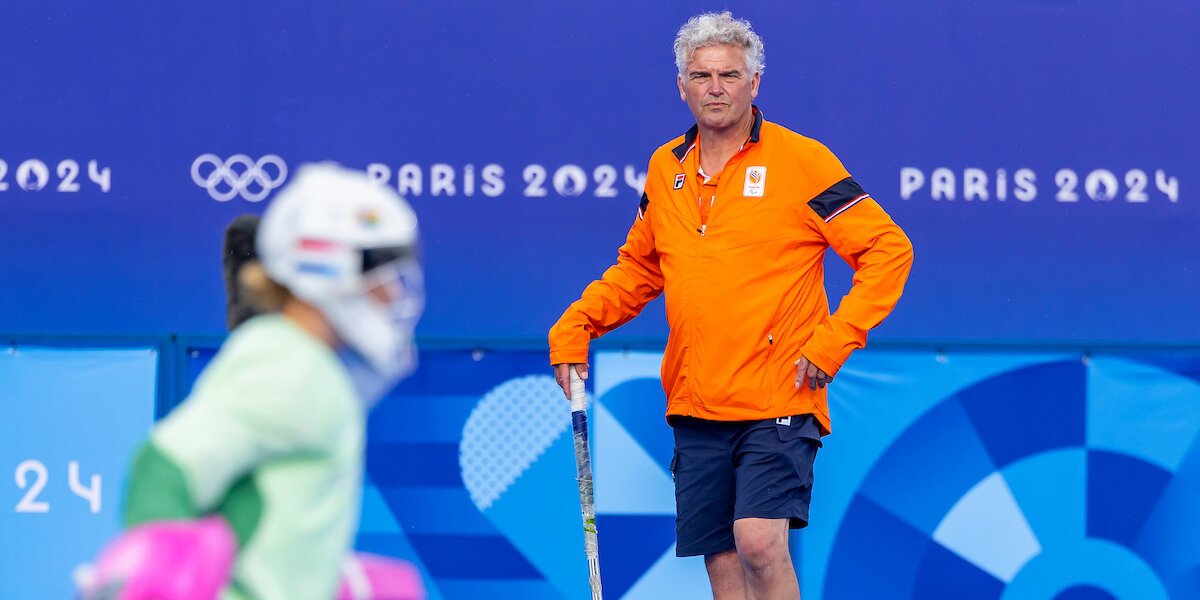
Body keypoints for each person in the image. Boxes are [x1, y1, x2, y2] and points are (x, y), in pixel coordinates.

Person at [548, 11, 913, 600]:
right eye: (701, 76)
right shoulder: (665, 167)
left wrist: (833, 340)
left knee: (759, 544)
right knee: (722, 562)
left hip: (779, 393)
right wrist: (577, 325)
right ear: (682, 86)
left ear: (754, 83)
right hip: (696, 398)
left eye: (729, 75)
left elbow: (888, 249)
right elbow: (641, 268)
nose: (715, 88)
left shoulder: (803, 162)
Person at [82, 163, 426, 600]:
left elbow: (258, 509)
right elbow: (165, 466)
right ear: (326, 264)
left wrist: (321, 577)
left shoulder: (304, 364)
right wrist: (153, 579)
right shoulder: (291, 364)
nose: (393, 293)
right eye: (380, 271)